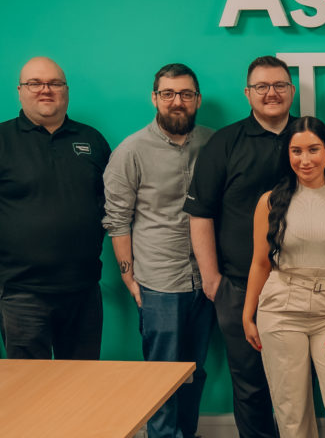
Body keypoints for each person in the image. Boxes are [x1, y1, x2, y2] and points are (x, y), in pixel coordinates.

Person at [0, 57, 110, 359]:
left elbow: (110, 205)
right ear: (20, 91)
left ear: (66, 90)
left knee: (83, 384)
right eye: (35, 83)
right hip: (23, 292)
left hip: (84, 289)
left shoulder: (92, 141)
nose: (45, 90)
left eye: (54, 83)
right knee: (28, 389)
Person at [242, 117, 325, 438]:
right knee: (291, 412)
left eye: (313, 150)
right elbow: (260, 264)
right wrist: (248, 314)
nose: (305, 160)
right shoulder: (269, 202)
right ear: (288, 155)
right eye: (297, 151)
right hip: (279, 312)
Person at [184, 55, 297, 438]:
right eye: (262, 86)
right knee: (250, 382)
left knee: (299, 380)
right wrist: (212, 278)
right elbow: (201, 214)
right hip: (238, 283)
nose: (271, 93)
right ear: (247, 93)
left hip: (303, 282)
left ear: (292, 91)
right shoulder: (224, 143)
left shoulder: (310, 137)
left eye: (280, 85)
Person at [102, 63, 216, 438]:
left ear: (197, 99)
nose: (177, 102)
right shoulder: (131, 151)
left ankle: (187, 433)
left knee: (195, 371)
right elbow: (117, 219)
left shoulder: (214, 144)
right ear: (155, 98)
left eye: (185, 94)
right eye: (168, 94)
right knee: (162, 374)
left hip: (207, 279)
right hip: (159, 282)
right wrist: (129, 277)